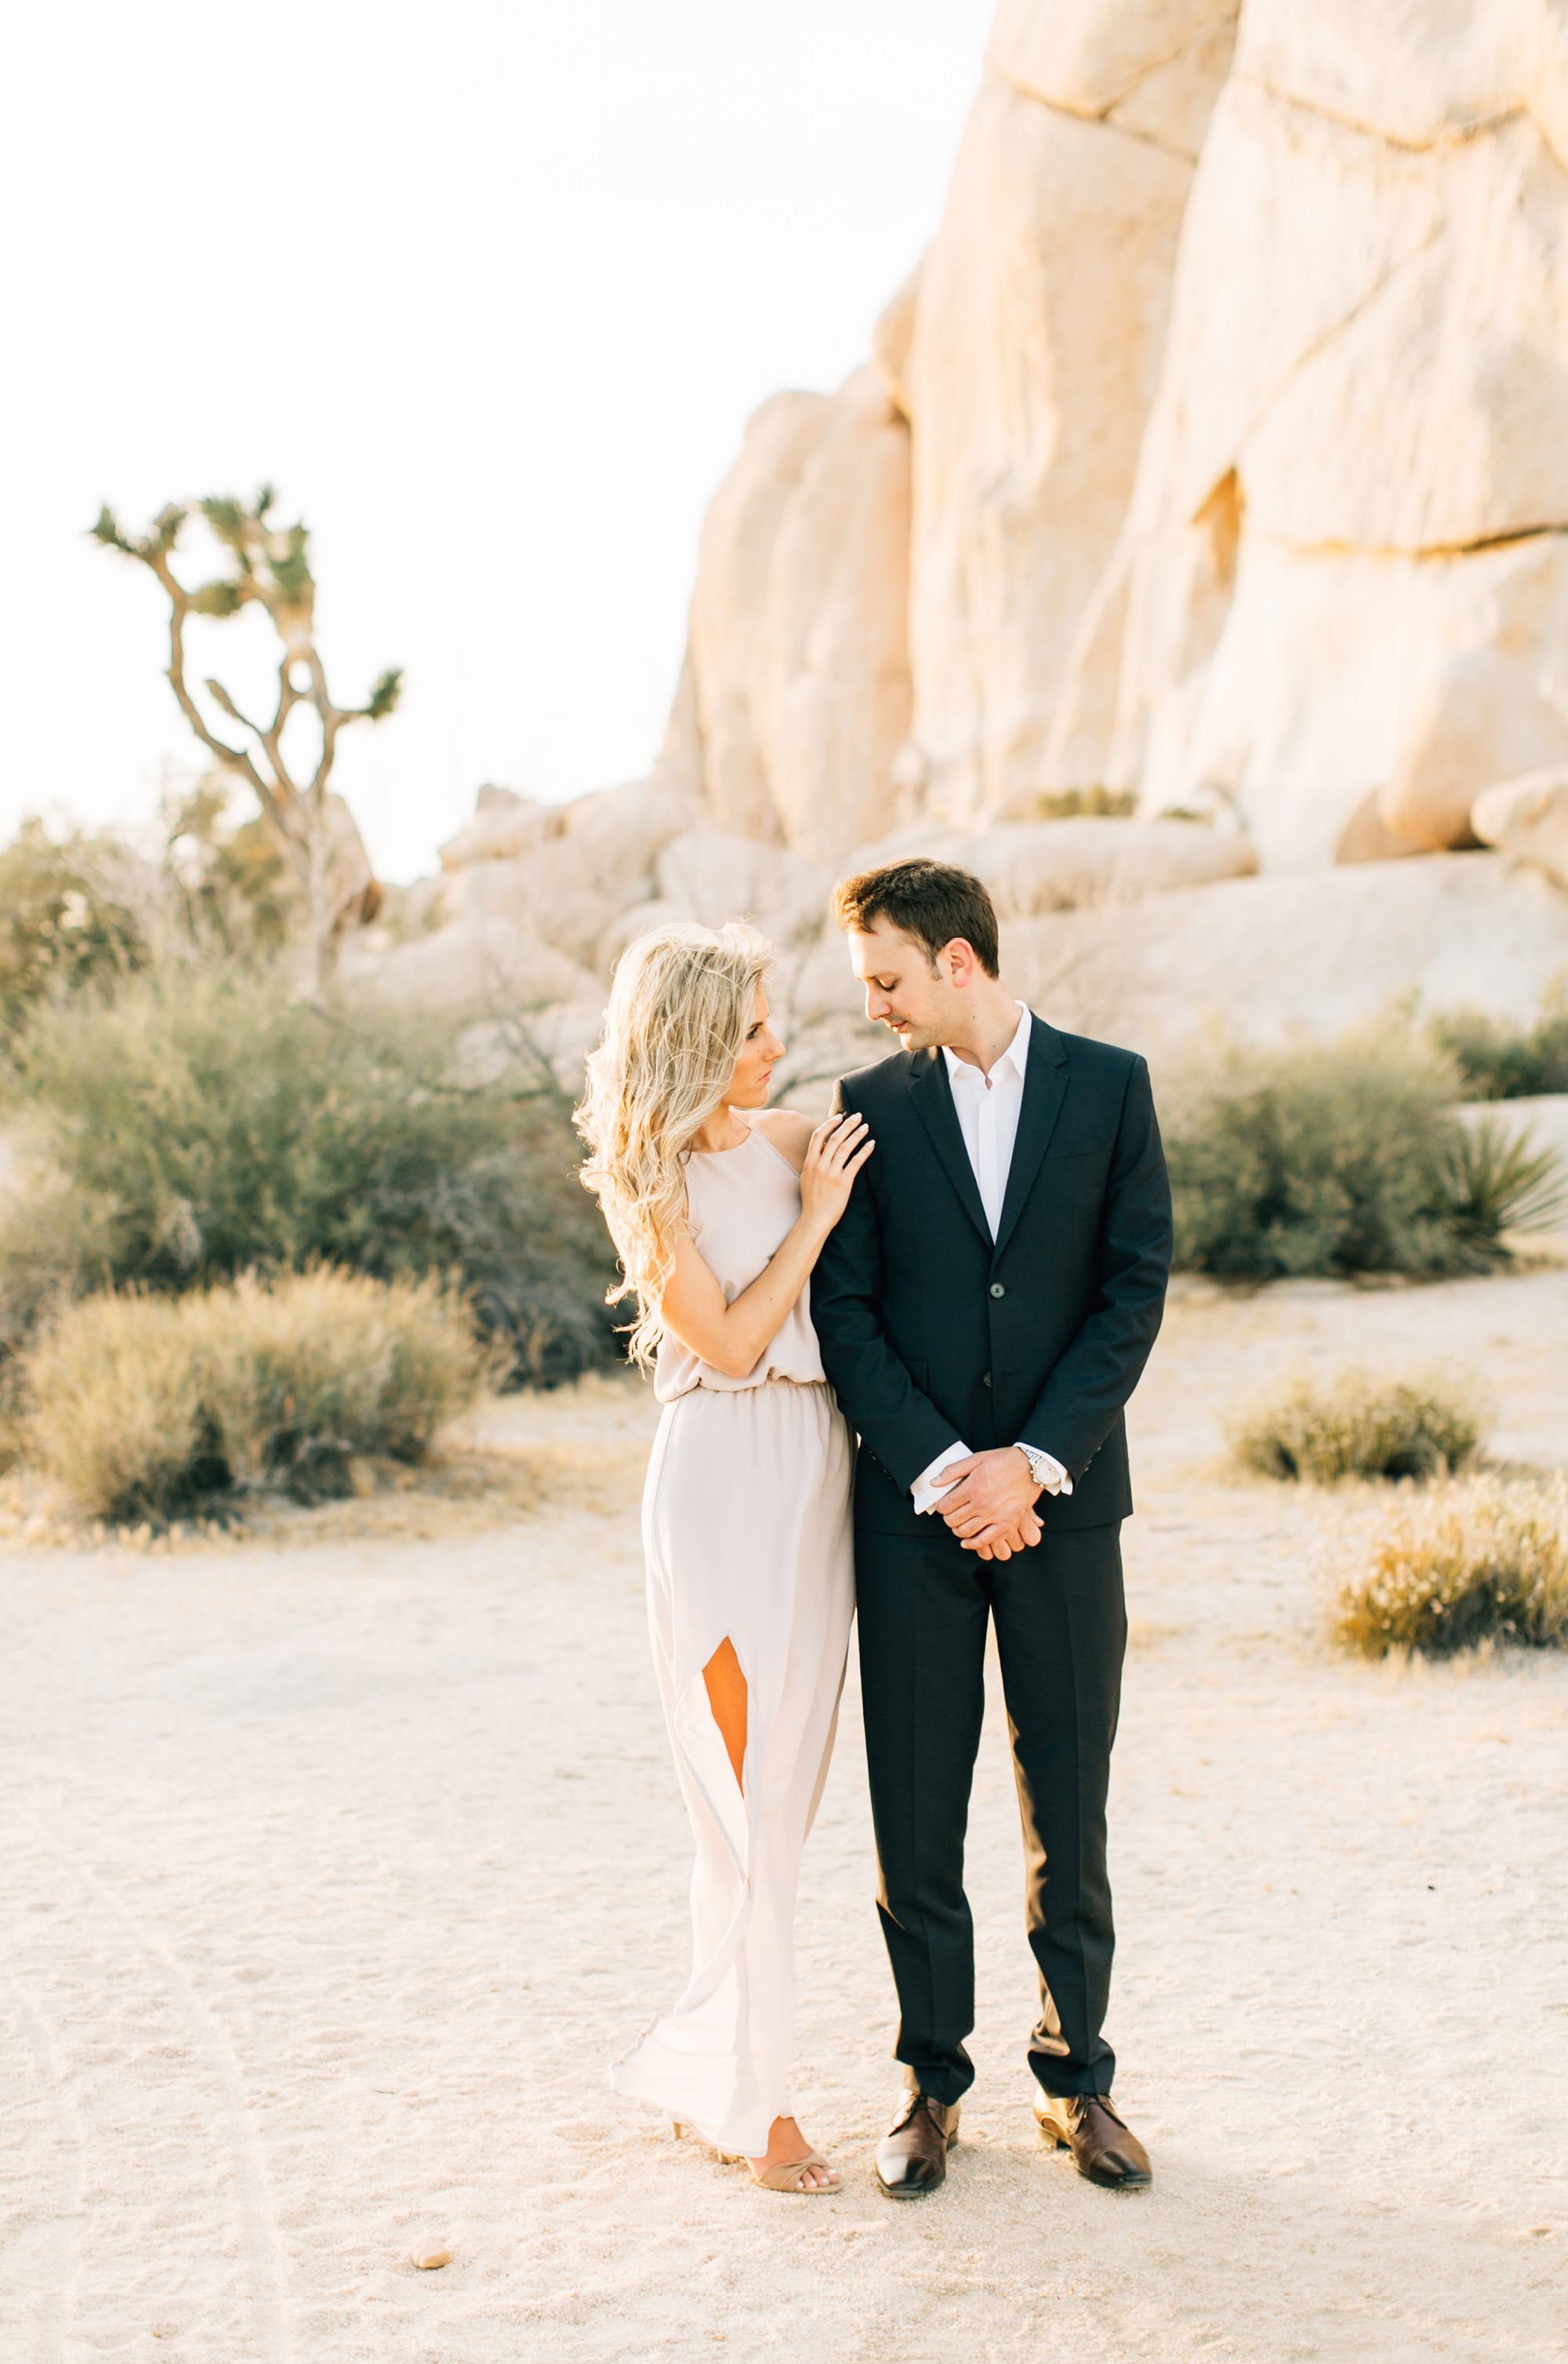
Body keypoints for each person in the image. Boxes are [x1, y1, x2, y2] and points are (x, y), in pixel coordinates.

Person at [811, 859, 1172, 2198]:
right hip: (915, 1519)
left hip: (1066, 1513)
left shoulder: (1113, 1084)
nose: (878, 1010)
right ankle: (928, 2085)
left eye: (889, 981)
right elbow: (843, 1312)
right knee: (915, 1809)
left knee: (1065, 1811)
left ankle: (1081, 2081)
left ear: (957, 961)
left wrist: (1032, 1466)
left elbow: (1134, 1289)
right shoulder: (863, 1111)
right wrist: (953, 1471)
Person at [577, 920, 873, 2194]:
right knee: (741, 1811)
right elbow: (738, 1341)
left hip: (817, 1475)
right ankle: (757, 2110)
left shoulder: (796, 1132)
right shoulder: (647, 1176)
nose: (779, 1045)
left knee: (780, 1811)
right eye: (753, 1029)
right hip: (719, 1476)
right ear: (699, 1039)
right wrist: (813, 1227)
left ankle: (719, 2080)